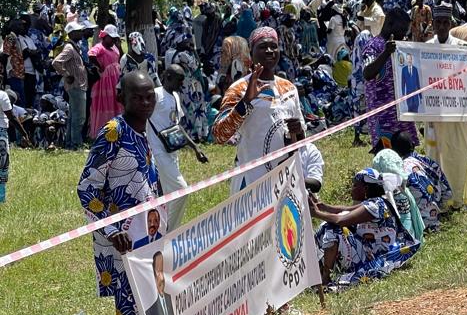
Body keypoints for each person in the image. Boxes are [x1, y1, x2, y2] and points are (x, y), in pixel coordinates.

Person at [77, 71, 160, 315]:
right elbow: (87, 188)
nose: (145, 102)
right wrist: (112, 230)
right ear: (121, 97)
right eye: (137, 96)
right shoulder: (114, 132)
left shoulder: (142, 133)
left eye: (149, 96)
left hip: (146, 246)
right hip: (121, 250)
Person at [213, 27, 307, 194]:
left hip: (283, 182)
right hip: (251, 184)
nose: (269, 50)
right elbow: (220, 134)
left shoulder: (288, 88)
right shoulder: (239, 88)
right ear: (251, 52)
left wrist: (298, 131)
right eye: (263, 46)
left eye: (274, 46)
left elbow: (300, 139)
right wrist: (246, 102)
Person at [310, 168, 421, 288]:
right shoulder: (375, 202)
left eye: (355, 185)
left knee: (332, 228)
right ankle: (318, 273)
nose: (352, 188)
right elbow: (345, 209)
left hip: (375, 256)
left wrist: (316, 213)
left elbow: (340, 220)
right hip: (368, 250)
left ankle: (325, 278)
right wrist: (322, 207)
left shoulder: (375, 206)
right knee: (327, 226)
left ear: (365, 188)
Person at [423, 5, 467, 207]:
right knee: (435, 156)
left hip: (458, 112)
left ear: (451, 24)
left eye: (445, 23)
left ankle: (460, 198)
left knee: (461, 153)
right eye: (438, 23)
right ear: (433, 24)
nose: (442, 26)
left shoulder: (463, 48)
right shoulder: (426, 48)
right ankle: (438, 200)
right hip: (435, 113)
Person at [361, 7, 419, 150]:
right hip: (383, 117)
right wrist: (386, 52)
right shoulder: (373, 46)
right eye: (401, 30)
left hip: (402, 114)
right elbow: (367, 73)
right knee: (387, 156)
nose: (403, 35)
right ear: (389, 24)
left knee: (408, 154)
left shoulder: (400, 46)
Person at [147, 65, 192, 226]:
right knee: (182, 191)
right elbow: (141, 118)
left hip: (172, 152)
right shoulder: (156, 95)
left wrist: (195, 148)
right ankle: (170, 231)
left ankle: (163, 229)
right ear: (167, 76)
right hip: (158, 153)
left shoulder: (176, 96)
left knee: (167, 196)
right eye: (179, 80)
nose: (181, 84)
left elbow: (178, 126)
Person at [391, 131, 452, 231]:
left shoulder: (401, 170)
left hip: (421, 223)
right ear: (413, 145)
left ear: (394, 152)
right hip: (438, 213)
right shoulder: (427, 161)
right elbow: (447, 190)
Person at [52, 20, 91, 149]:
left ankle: (69, 142)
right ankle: (76, 144)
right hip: (76, 86)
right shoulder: (69, 48)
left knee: (73, 116)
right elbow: (56, 62)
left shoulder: (74, 47)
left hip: (78, 85)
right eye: (78, 31)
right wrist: (66, 74)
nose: (81, 33)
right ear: (72, 33)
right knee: (79, 117)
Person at [88, 24, 124, 136]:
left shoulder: (114, 47)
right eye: (111, 38)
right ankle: (103, 130)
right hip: (105, 80)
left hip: (115, 78)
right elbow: (91, 55)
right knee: (106, 103)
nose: (113, 40)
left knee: (115, 101)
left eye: (115, 38)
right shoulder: (100, 47)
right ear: (105, 36)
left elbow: (121, 57)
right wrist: (100, 66)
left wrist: (119, 45)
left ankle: (116, 128)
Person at [0, 88, 13, 202]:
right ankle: (1, 197)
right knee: (2, 166)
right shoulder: (2, 95)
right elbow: (11, 116)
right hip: (1, 132)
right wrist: (24, 133)